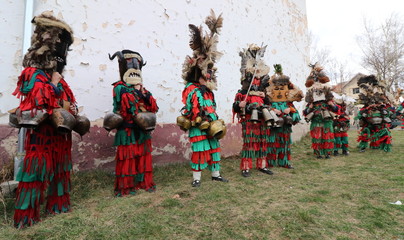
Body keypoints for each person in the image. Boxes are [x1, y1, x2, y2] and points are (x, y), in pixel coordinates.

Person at [12, 13, 77, 228]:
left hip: (60, 134)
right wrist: (55, 84)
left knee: (60, 169)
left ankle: (57, 205)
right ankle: (27, 216)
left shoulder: (58, 76)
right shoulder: (33, 73)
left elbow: (66, 100)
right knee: (35, 173)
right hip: (41, 135)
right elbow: (39, 99)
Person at [177, 10, 228, 187]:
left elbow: (211, 106)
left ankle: (216, 174)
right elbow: (193, 107)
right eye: (206, 73)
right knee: (200, 150)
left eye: (211, 73)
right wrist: (200, 118)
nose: (210, 76)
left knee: (214, 148)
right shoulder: (191, 89)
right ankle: (196, 179)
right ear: (198, 73)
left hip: (211, 122)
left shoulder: (208, 91)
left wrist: (213, 119)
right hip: (197, 122)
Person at [108, 50, 158, 196]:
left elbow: (152, 107)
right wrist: (138, 93)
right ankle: (127, 186)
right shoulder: (119, 87)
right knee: (127, 158)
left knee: (143, 156)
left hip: (142, 129)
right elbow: (128, 106)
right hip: (127, 130)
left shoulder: (141, 88)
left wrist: (144, 94)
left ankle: (143, 182)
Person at [232, 44, 273, 177]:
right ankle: (246, 167)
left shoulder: (263, 93)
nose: (255, 83)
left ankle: (262, 165)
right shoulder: (242, 93)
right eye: (253, 81)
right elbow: (235, 106)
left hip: (262, 119)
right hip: (249, 120)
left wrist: (265, 97)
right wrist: (241, 105)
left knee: (263, 141)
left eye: (257, 81)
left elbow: (269, 103)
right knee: (249, 143)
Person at [265, 64, 303, 168]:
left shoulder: (289, 103)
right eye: (276, 89)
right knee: (271, 143)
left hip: (285, 128)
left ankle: (284, 162)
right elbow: (264, 114)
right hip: (273, 128)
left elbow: (296, 117)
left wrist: (290, 110)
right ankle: (270, 162)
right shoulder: (269, 103)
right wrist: (272, 110)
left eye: (282, 88)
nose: (279, 91)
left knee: (285, 144)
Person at [303, 63, 337, 159]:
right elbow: (305, 112)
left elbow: (336, 109)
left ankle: (327, 153)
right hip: (315, 119)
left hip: (327, 119)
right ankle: (318, 153)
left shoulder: (328, 96)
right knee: (317, 137)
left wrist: (332, 105)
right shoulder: (310, 97)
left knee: (327, 136)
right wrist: (310, 107)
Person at [355, 75, 393, 152]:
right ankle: (363, 147)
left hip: (379, 111)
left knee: (383, 129)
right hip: (368, 111)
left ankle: (384, 146)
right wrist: (369, 107)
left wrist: (380, 104)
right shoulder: (365, 92)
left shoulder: (380, 90)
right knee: (366, 130)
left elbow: (385, 100)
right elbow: (363, 101)